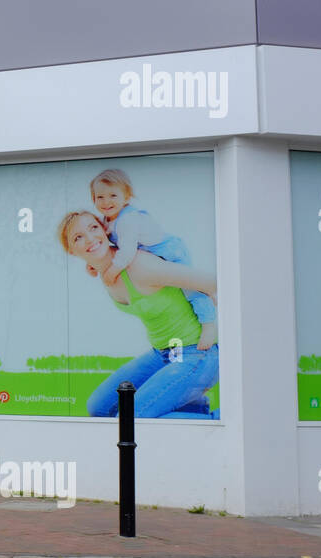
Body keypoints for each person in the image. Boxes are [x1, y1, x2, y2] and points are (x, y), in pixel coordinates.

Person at [59, 211, 220, 419]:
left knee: (130, 419)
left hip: (198, 352)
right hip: (162, 354)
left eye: (93, 228)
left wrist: (210, 307)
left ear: (104, 230)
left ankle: (221, 419)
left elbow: (213, 281)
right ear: (72, 251)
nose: (90, 238)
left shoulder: (138, 265)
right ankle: (192, 408)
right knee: (99, 408)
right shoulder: (105, 271)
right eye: (78, 237)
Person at [86, 169, 217, 349]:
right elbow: (104, 246)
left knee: (190, 288)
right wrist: (92, 264)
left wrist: (113, 270)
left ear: (126, 197)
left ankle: (209, 324)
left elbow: (126, 252)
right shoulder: (106, 220)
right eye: (100, 197)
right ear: (93, 199)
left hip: (170, 251)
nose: (106, 201)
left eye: (113, 195)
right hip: (153, 255)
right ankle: (207, 293)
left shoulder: (127, 220)